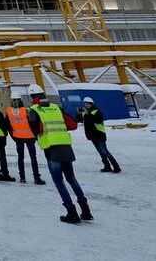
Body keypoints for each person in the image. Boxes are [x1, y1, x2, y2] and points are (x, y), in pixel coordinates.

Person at [27, 84, 92, 224]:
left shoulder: (33, 110)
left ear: (32, 97)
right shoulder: (57, 107)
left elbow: (35, 130)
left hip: (51, 148)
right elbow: (72, 125)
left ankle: (71, 212)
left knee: (59, 181)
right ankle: (85, 210)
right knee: (71, 178)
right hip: (66, 146)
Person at [76, 97, 121, 173]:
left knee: (105, 151)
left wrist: (88, 113)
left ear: (91, 104)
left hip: (99, 134)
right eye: (85, 104)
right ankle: (107, 166)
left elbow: (97, 120)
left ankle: (116, 167)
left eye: (87, 104)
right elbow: (80, 120)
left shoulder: (97, 112)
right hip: (92, 135)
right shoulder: (85, 112)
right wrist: (78, 114)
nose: (86, 106)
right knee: (100, 152)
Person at [7, 93, 44, 184]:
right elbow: (34, 123)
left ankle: (22, 177)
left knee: (20, 158)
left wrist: (14, 136)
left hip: (18, 138)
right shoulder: (27, 111)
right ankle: (36, 177)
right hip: (30, 137)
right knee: (33, 158)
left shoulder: (9, 111)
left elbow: (8, 126)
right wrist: (35, 135)